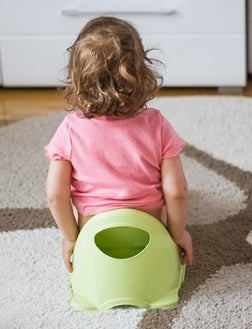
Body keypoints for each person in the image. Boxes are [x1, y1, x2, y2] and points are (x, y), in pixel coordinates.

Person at [44, 16, 193, 272]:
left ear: (78, 78)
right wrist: (179, 234)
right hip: (149, 229)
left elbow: (56, 196)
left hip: (94, 233)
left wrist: (71, 238)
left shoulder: (70, 129)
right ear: (141, 73)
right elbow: (177, 191)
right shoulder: (156, 124)